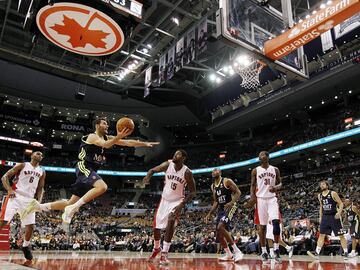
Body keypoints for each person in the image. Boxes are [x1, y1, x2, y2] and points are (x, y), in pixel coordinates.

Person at [21, 118, 159, 224]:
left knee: (69, 202)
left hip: (91, 169)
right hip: (84, 166)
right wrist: (118, 137)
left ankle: (38, 207)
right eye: (104, 123)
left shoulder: (108, 138)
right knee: (102, 187)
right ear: (98, 125)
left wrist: (144, 144)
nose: (107, 126)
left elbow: (128, 142)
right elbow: (105, 144)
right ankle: (73, 209)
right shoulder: (92, 137)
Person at [143, 150, 196, 265]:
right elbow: (152, 170)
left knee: (171, 221)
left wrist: (182, 204)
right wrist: (148, 176)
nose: (174, 155)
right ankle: (157, 248)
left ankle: (164, 254)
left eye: (178, 154)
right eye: (174, 153)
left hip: (177, 201)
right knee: (156, 228)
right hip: (164, 200)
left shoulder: (187, 172)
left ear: (183, 158)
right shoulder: (168, 164)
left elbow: (193, 192)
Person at [0, 151, 45, 261]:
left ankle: (25, 246)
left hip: (29, 200)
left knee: (30, 225)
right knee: (4, 221)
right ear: (32, 155)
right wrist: (9, 189)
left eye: (41, 154)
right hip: (16, 196)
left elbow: (40, 188)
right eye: (37, 153)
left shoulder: (42, 171)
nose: (39, 155)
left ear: (42, 158)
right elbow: (5, 177)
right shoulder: (23, 165)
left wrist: (38, 201)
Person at [247, 151, 282, 262]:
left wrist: (276, 187)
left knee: (276, 223)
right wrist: (252, 198)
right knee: (262, 227)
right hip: (260, 199)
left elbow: (280, 183)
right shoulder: (255, 170)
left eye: (262, 155)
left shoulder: (275, 169)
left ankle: (276, 250)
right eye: (259, 155)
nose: (260, 156)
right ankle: (264, 252)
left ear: (267, 157)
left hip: (272, 198)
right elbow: (252, 185)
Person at [204, 168, 243, 262]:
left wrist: (232, 202)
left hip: (230, 207)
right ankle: (229, 254)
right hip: (221, 209)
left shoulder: (226, 181)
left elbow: (238, 192)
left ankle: (237, 251)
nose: (214, 172)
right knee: (219, 233)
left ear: (220, 172)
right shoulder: (213, 186)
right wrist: (209, 213)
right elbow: (216, 202)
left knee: (221, 226)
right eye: (212, 171)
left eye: (216, 170)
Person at [307, 180, 348, 260]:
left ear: (327, 185)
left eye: (323, 184)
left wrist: (339, 213)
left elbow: (341, 203)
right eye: (320, 185)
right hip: (325, 217)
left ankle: (346, 252)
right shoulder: (319, 196)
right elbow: (321, 207)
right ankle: (317, 253)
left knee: (341, 235)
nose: (322, 186)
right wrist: (320, 217)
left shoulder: (333, 193)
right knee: (321, 235)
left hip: (334, 216)